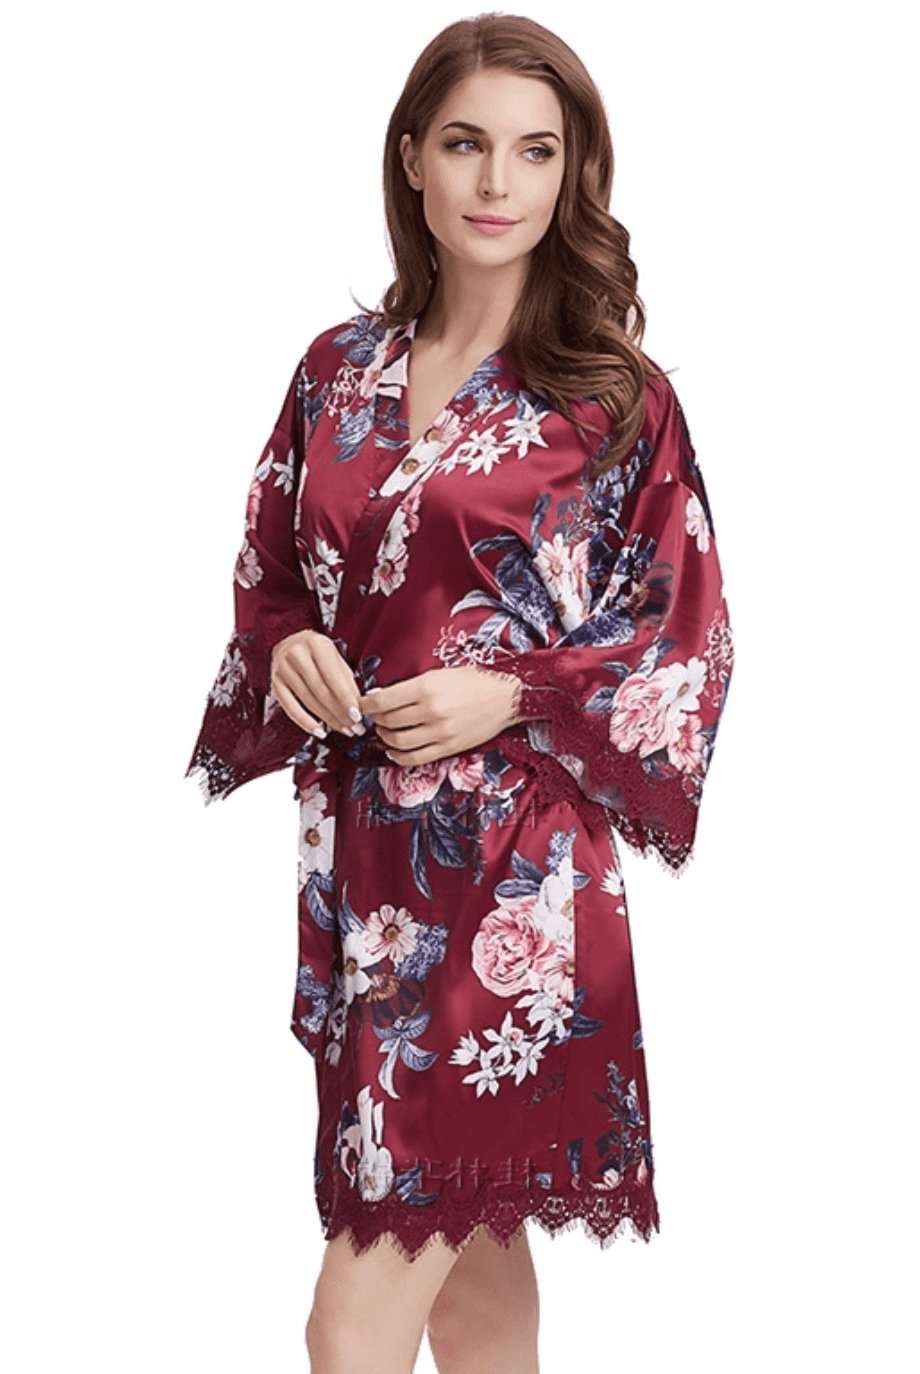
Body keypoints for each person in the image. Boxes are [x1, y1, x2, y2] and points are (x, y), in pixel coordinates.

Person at [184, 13, 734, 1373]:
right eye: (468, 144)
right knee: (475, 1296)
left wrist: (516, 693)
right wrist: (288, 648)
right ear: (413, 160)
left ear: (572, 173)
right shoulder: (336, 371)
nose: (499, 182)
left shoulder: (610, 397)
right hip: (367, 876)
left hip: (513, 891)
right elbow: (272, 573)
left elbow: (685, 636)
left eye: (536, 152)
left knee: (350, 1320)